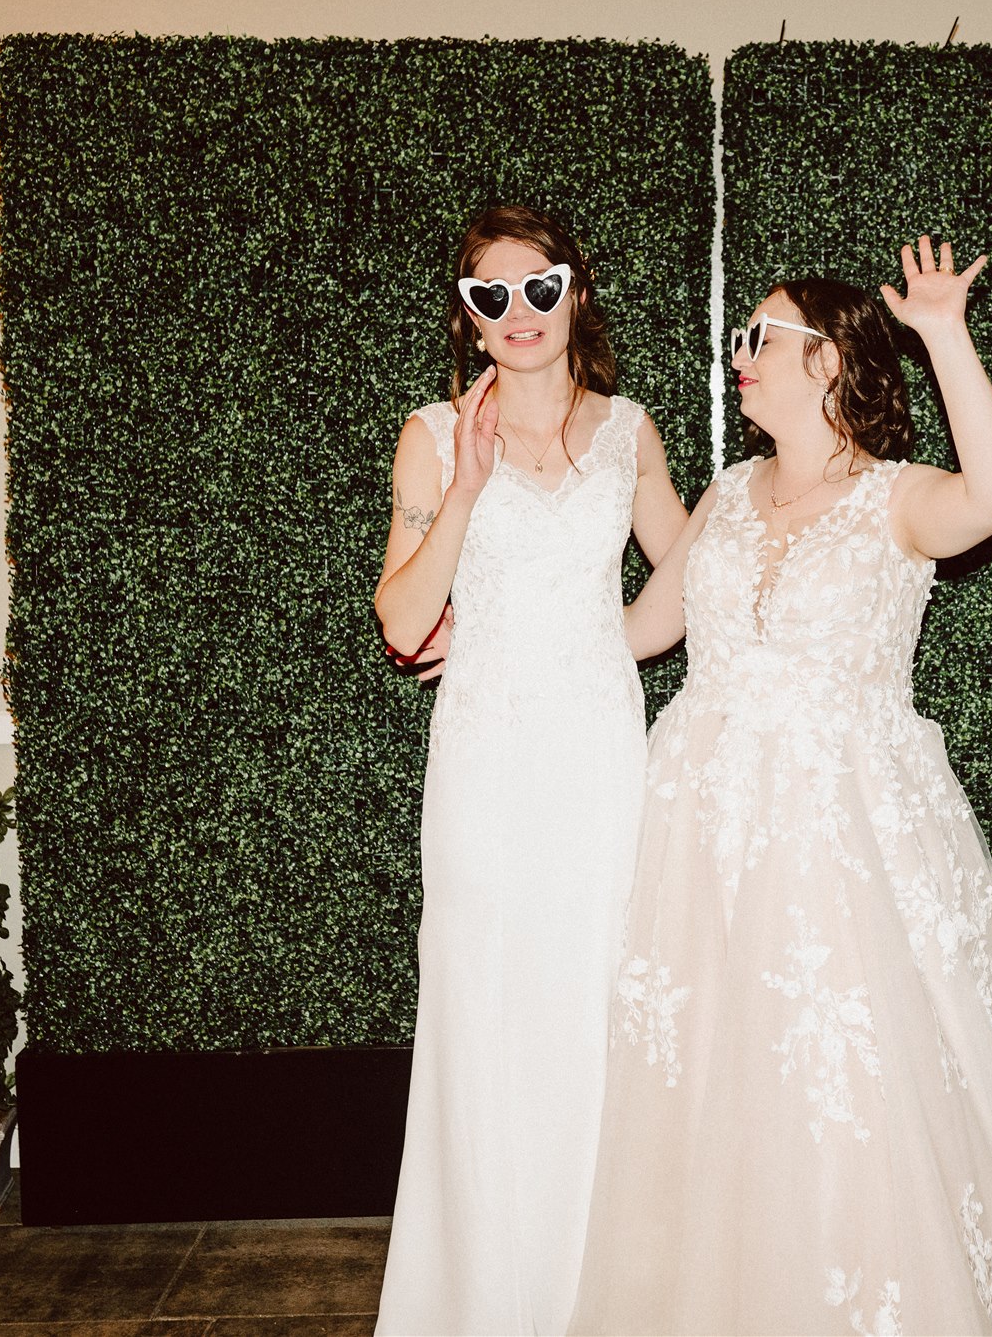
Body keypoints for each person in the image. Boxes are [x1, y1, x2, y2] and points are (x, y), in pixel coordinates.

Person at [570, 238, 992, 1335]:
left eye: (758, 338)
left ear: (827, 363)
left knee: (847, 1070)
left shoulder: (897, 501)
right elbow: (639, 629)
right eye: (741, 340)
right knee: (706, 1065)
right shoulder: (724, 498)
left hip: (840, 832)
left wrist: (943, 333)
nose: (739, 357)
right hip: (701, 825)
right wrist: (499, 637)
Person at [373, 204, 688, 1336]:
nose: (518, 314)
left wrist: (610, 634)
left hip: (601, 753)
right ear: (466, 316)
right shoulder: (431, 434)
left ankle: (600, 1298)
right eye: (489, 296)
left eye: (538, 289)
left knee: (600, 1000)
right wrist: (461, 490)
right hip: (488, 766)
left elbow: (691, 568)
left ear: (576, 294)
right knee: (489, 1008)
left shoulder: (629, 431)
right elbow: (403, 620)